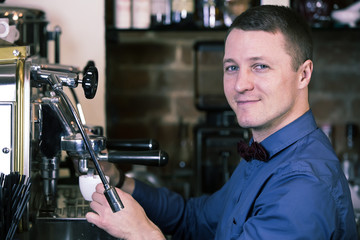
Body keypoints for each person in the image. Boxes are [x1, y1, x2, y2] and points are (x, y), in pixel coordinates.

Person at [86, 5, 358, 239]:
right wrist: (120, 180)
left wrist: (141, 233)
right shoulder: (264, 151)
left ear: (304, 74)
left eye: (260, 66)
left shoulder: (303, 186)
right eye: (232, 67)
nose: (241, 84)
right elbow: (193, 219)